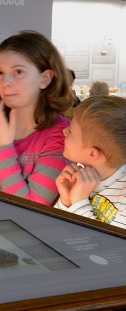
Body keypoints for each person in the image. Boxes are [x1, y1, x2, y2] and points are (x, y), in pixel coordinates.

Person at [0, 30, 74, 205]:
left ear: (45, 79)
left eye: (18, 72)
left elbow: (32, 208)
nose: (5, 81)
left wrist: (3, 147)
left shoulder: (61, 134)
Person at [55, 94, 126, 229]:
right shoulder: (80, 172)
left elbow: (111, 247)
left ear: (92, 154)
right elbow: (56, 231)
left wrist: (78, 202)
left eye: (70, 131)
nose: (64, 131)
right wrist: (66, 201)